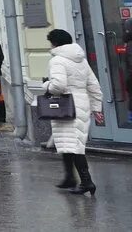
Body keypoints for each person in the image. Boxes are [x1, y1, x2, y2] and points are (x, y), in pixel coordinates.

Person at [44, 29, 104, 196]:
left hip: (66, 106)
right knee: (68, 143)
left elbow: (59, 86)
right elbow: (94, 85)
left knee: (75, 146)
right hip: (81, 104)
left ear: (55, 43)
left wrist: (46, 85)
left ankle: (86, 182)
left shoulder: (57, 61)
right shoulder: (81, 59)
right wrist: (96, 108)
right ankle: (70, 177)